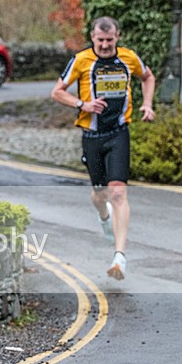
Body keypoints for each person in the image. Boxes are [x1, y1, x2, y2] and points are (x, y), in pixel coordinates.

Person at [51, 16, 155, 280]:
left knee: (118, 192)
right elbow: (57, 91)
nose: (106, 45)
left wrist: (148, 104)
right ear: (93, 37)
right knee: (100, 195)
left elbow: (148, 76)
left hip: (119, 133)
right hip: (92, 136)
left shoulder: (129, 58)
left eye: (110, 40)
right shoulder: (81, 60)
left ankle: (119, 256)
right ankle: (102, 216)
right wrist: (81, 105)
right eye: (101, 40)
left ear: (117, 37)